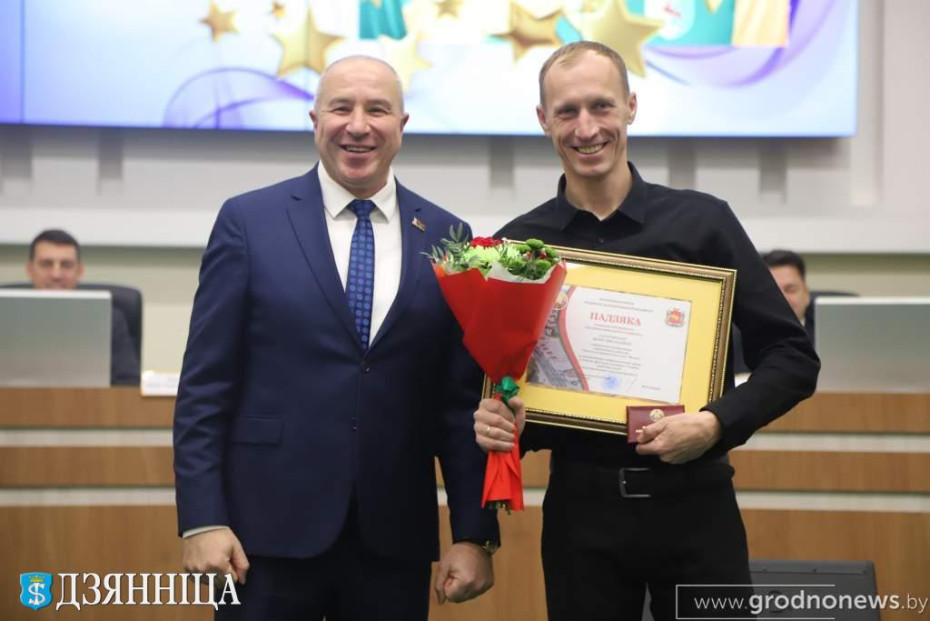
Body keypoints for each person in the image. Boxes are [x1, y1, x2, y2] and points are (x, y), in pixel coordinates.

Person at [474, 42, 820, 621]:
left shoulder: (703, 223)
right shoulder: (519, 247)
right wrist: (501, 419)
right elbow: (507, 388)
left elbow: (792, 357)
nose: (587, 128)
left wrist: (715, 424)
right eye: (567, 111)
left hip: (696, 506)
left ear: (631, 107)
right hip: (581, 517)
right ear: (543, 120)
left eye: (601, 106)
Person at [173, 56, 498, 621]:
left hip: (393, 541)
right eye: (341, 108)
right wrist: (202, 519)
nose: (358, 125)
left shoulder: (449, 236)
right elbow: (205, 387)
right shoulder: (249, 221)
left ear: (402, 124)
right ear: (315, 120)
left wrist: (474, 533)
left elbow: (457, 402)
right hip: (262, 538)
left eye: (378, 110)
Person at [25, 229, 140, 386]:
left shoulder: (108, 319)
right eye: (46, 264)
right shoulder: (5, 318)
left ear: (79, 271)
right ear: (30, 269)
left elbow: (128, 383)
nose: (56, 274)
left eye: (66, 265)